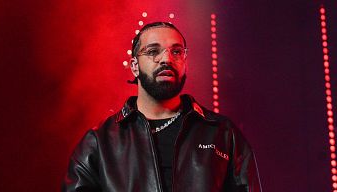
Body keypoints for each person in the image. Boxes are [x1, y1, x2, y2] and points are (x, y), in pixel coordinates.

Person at [62, 22, 262, 192]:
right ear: (134, 66)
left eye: (176, 52)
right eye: (153, 51)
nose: (166, 59)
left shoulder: (222, 133)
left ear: (185, 62)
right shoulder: (100, 142)